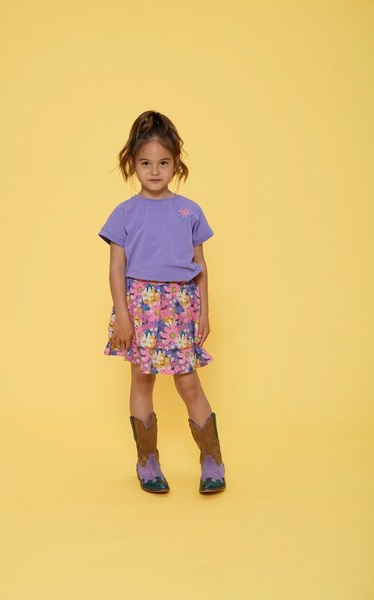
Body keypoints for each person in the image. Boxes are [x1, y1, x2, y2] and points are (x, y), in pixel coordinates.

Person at [98, 110, 226, 494]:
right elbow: (116, 269)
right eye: (146, 163)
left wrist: (205, 312)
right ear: (132, 164)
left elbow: (200, 267)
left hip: (180, 308)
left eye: (164, 163)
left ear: (176, 163)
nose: (155, 171)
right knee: (142, 379)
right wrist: (123, 316)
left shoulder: (190, 211)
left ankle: (212, 458)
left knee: (188, 383)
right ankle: (147, 460)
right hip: (139, 306)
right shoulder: (123, 213)